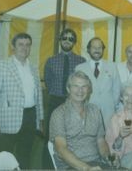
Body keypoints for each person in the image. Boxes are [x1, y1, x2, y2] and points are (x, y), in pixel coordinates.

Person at [0, 33, 44, 169]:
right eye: (21, 44)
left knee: (25, 155)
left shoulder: (34, 68)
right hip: (8, 120)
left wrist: (40, 120)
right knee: (3, 156)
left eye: (28, 45)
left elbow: (38, 96)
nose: (24, 48)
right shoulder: (1, 66)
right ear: (13, 47)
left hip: (30, 117)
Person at [49, 71, 119, 170]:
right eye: (76, 86)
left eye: (84, 86)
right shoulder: (59, 114)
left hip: (96, 163)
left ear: (89, 89)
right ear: (68, 89)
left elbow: (101, 141)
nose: (80, 91)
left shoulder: (95, 110)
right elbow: (61, 149)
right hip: (70, 166)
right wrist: (86, 168)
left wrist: (108, 158)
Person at [43, 28, 85, 168]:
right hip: (55, 101)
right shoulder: (51, 61)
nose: (67, 41)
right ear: (60, 40)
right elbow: (48, 82)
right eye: (65, 38)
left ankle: (71, 165)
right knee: (50, 136)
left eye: (71, 39)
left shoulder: (81, 61)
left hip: (73, 103)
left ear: (74, 42)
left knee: (72, 136)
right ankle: (48, 166)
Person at [75, 37, 121, 128]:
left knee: (108, 139)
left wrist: (111, 104)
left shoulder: (112, 67)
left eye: (99, 47)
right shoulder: (80, 68)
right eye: (94, 47)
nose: (97, 50)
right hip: (87, 111)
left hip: (108, 112)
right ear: (88, 50)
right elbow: (76, 91)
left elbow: (117, 90)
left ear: (103, 50)